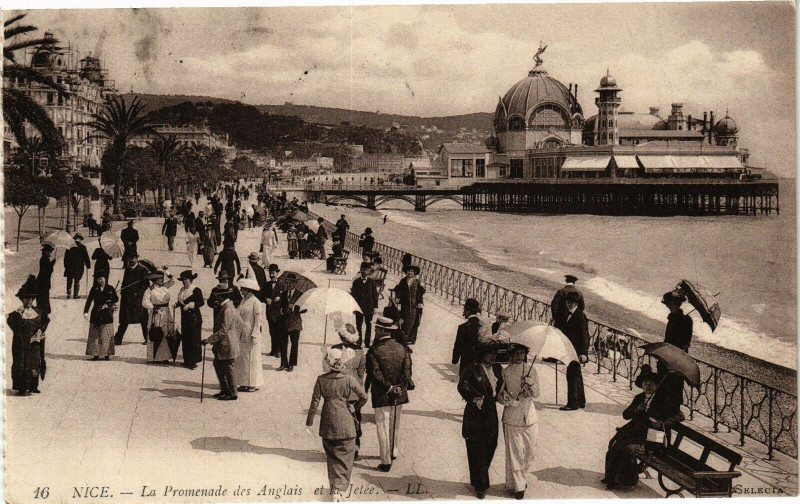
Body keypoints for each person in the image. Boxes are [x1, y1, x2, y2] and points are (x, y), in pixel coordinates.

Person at [602, 365, 685, 489]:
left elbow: (680, 415)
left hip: (654, 437)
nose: (648, 385)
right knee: (616, 446)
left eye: (651, 383)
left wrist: (663, 423)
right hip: (636, 434)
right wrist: (636, 410)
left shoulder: (663, 399)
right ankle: (611, 477)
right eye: (645, 383)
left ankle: (624, 480)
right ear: (642, 385)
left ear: (657, 385)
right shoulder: (639, 398)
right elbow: (626, 415)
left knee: (629, 449)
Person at [306, 347, 368, 501]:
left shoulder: (321, 379)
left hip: (327, 423)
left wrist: (309, 421)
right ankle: (341, 488)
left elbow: (314, 402)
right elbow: (364, 397)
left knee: (331, 457)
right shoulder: (348, 379)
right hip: (346, 422)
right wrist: (354, 407)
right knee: (346, 457)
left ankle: (335, 488)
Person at [365, 317, 413, 472]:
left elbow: (375, 373)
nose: (375, 331)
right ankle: (393, 451)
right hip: (400, 394)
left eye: (376, 329)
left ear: (381, 330)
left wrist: (389, 388)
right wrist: (399, 387)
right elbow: (407, 371)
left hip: (382, 394)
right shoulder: (402, 348)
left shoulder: (374, 350)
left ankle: (385, 461)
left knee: (383, 426)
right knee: (395, 424)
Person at [457, 340, 504, 499]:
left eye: (494, 354)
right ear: (482, 354)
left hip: (491, 410)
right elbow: (461, 386)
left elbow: (502, 387)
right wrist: (474, 398)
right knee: (477, 446)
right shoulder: (472, 369)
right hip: (475, 412)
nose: (492, 357)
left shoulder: (498, 369)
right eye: (489, 353)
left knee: (491, 444)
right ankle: (481, 485)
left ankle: (479, 477)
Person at [497, 343, 540, 499]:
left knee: (530, 453)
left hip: (530, 417)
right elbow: (499, 395)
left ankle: (520, 478)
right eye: (515, 354)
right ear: (510, 355)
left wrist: (531, 383)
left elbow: (536, 394)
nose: (518, 356)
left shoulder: (531, 370)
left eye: (521, 353)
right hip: (512, 418)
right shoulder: (505, 372)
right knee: (515, 454)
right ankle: (519, 486)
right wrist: (509, 401)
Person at [326, 325, 366, 458]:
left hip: (339, 387)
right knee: (355, 418)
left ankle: (339, 446)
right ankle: (355, 449)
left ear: (342, 336)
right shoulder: (359, 351)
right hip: (354, 389)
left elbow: (328, 369)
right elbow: (361, 372)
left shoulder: (335, 349)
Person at [7, 276, 49, 396]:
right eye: (26, 299)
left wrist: (40, 331)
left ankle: (33, 387)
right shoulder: (16, 314)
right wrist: (26, 338)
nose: (28, 301)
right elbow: (13, 325)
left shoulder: (38, 312)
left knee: (35, 363)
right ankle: (22, 388)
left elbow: (45, 322)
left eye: (30, 299)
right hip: (21, 344)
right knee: (22, 363)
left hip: (35, 344)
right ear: (22, 300)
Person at [202, 287, 242, 401]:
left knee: (228, 369)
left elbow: (223, 330)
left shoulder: (227, 309)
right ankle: (225, 390)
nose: (215, 298)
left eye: (216, 296)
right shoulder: (226, 307)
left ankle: (232, 393)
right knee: (219, 366)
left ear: (220, 296)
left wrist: (209, 340)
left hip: (227, 344)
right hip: (224, 343)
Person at [660, 290, 693, 406]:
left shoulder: (686, 320)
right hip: (666, 355)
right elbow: (667, 338)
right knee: (664, 384)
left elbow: (686, 342)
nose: (671, 306)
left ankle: (674, 410)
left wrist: (676, 356)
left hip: (678, 357)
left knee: (675, 385)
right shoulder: (672, 318)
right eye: (669, 304)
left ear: (679, 305)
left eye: (674, 304)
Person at [560, 291, 589, 411]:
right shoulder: (571, 313)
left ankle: (573, 403)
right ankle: (580, 401)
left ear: (576, 303)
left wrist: (584, 353)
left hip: (576, 351)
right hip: (571, 350)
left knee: (571, 376)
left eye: (570, 302)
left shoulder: (580, 316)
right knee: (577, 375)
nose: (568, 304)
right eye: (567, 301)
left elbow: (585, 336)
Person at [235, 278, 264, 392]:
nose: (241, 291)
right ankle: (243, 382)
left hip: (251, 334)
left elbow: (258, 320)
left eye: (243, 289)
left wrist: (256, 334)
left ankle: (252, 384)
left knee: (252, 359)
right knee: (243, 359)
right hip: (241, 333)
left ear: (249, 290)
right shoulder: (243, 301)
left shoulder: (256, 302)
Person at [142, 269, 176, 364]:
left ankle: (165, 357)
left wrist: (167, 271)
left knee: (166, 333)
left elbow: (173, 281)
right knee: (156, 332)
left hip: (166, 312)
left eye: (162, 278)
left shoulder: (165, 286)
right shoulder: (149, 290)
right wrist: (153, 308)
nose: (162, 280)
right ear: (155, 279)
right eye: (160, 278)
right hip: (156, 313)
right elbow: (145, 302)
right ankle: (154, 357)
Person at [115, 254, 150, 345]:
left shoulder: (143, 270)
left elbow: (145, 285)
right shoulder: (127, 269)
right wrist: (122, 292)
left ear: (137, 259)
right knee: (124, 320)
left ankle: (147, 338)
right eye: (129, 258)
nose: (130, 260)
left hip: (138, 300)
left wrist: (137, 294)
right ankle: (118, 339)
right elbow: (124, 283)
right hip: (126, 299)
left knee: (143, 320)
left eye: (132, 258)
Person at [174, 270, 204, 369]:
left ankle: (193, 361)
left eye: (186, 279)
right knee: (185, 338)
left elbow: (201, 302)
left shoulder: (195, 289)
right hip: (185, 317)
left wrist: (191, 305)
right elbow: (181, 301)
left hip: (194, 317)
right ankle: (187, 360)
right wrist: (177, 304)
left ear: (190, 280)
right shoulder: (182, 289)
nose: (184, 281)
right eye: (183, 280)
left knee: (194, 339)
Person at [83, 275, 118, 361]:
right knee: (95, 334)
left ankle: (107, 354)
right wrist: (86, 311)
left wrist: (108, 304)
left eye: (101, 278)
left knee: (106, 334)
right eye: (98, 279)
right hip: (96, 312)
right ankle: (96, 354)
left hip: (107, 313)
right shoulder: (94, 288)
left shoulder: (110, 288)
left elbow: (116, 298)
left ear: (105, 279)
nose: (100, 280)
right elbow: (89, 300)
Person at [277, 273, 304, 372]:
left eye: (290, 282)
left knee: (294, 344)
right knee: (283, 343)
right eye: (287, 282)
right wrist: (283, 310)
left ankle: (292, 364)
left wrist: (296, 308)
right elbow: (278, 307)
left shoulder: (300, 295)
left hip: (295, 323)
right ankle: (283, 364)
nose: (288, 284)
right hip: (284, 322)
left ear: (295, 283)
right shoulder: (283, 294)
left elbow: (305, 309)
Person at [393, 265, 425, 345]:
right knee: (403, 320)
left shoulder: (417, 282)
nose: (410, 273)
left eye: (412, 271)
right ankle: (403, 337)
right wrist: (397, 298)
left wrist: (420, 302)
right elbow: (399, 290)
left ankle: (410, 338)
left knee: (413, 320)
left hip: (414, 305)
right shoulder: (403, 281)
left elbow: (421, 293)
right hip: (404, 304)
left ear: (415, 273)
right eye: (408, 271)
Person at [350, 262, 379, 347]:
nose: (365, 272)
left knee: (369, 326)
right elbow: (353, 295)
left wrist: (375, 307)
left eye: (366, 270)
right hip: (359, 307)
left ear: (369, 271)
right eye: (363, 270)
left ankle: (367, 342)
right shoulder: (356, 282)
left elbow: (375, 295)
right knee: (358, 325)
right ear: (360, 270)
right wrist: (353, 307)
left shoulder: (371, 282)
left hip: (369, 307)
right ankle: (359, 341)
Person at [453, 298, 482, 376]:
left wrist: (455, 360)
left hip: (466, 361)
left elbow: (458, 345)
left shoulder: (463, 327)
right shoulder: (482, 325)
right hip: (480, 361)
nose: (463, 312)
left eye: (464, 310)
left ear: (468, 311)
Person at [263, 264, 284, 357]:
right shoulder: (266, 284)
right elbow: (261, 295)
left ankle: (279, 351)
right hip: (270, 312)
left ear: (277, 273)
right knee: (272, 331)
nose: (271, 275)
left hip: (279, 312)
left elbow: (286, 298)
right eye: (270, 273)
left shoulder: (282, 284)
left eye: (273, 273)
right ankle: (273, 350)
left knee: (279, 331)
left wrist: (280, 298)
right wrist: (265, 299)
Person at [64, 233, 91, 299]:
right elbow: (86, 257)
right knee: (77, 279)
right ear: (80, 239)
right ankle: (75, 295)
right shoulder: (83, 247)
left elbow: (65, 257)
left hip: (69, 266)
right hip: (78, 267)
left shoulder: (69, 246)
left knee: (69, 280)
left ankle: (69, 294)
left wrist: (65, 265)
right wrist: (88, 265)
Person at [36, 244, 56, 317]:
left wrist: (52, 263)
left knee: (43, 296)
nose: (51, 253)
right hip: (43, 281)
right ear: (46, 252)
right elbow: (47, 270)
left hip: (43, 281)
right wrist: (52, 263)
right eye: (50, 252)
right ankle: (43, 312)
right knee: (43, 296)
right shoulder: (44, 259)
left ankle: (43, 311)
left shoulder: (45, 258)